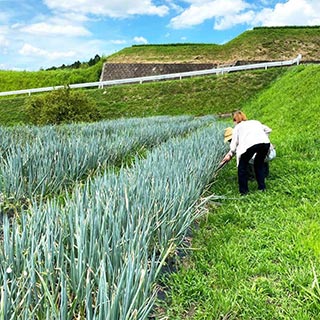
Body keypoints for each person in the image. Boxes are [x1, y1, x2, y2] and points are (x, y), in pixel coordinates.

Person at [222, 111, 271, 195]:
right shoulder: (255, 122)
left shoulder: (237, 127)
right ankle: (262, 188)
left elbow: (234, 144)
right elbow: (268, 130)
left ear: (235, 120)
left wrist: (230, 153)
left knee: (242, 167)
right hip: (265, 143)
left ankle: (244, 192)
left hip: (250, 145)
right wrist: (262, 138)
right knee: (259, 164)